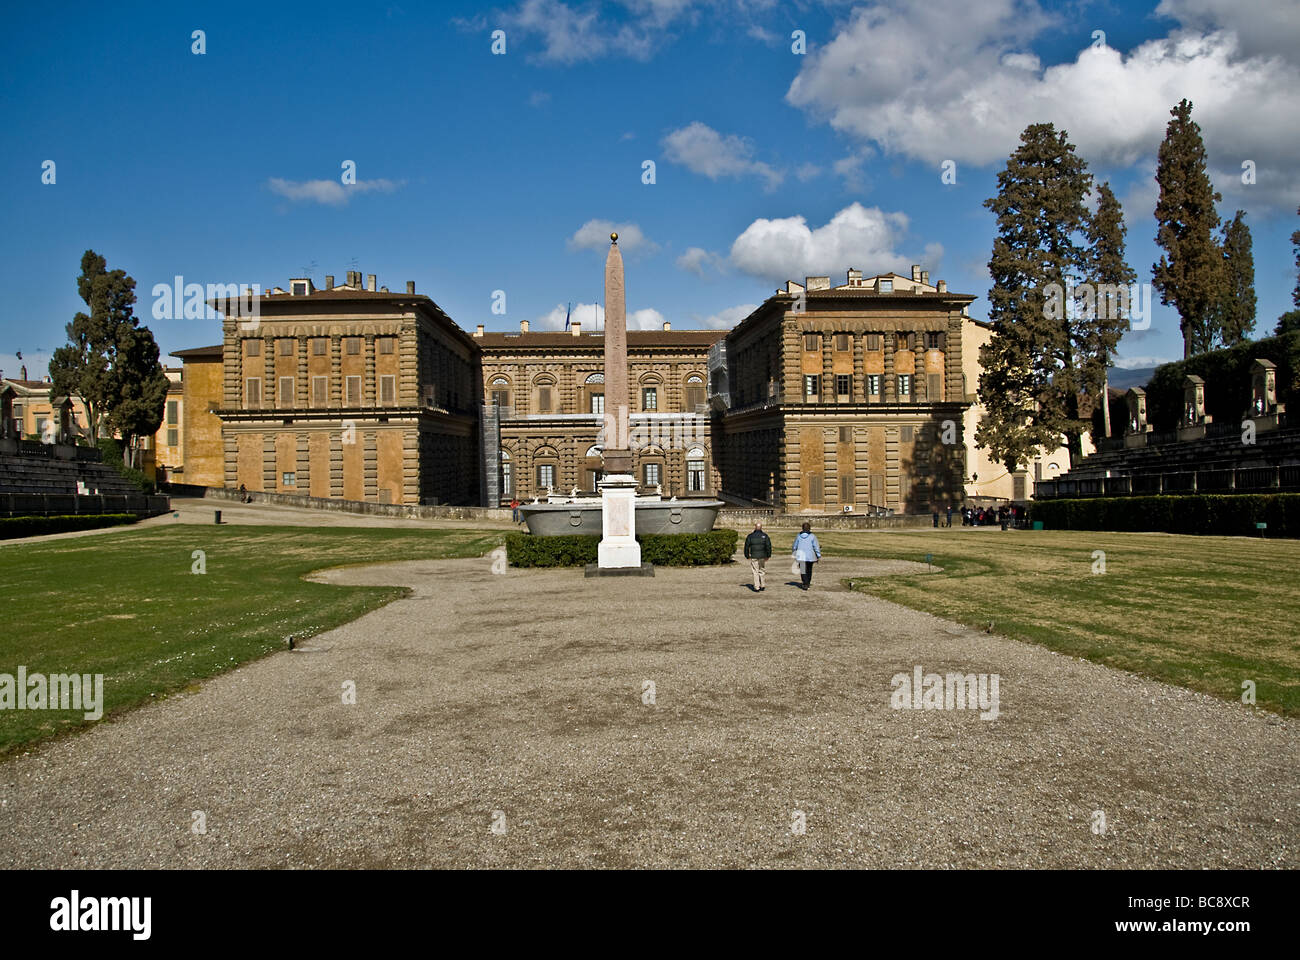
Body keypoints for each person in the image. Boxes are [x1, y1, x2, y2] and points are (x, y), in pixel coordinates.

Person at [791, 521, 821, 590]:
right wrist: (818, 555)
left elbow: (794, 546)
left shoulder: (798, 536)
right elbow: (816, 547)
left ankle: (805, 583)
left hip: (801, 556)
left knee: (803, 570)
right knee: (809, 570)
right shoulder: (812, 536)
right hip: (810, 556)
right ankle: (808, 582)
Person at [743, 521, 772, 592]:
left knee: (755, 571)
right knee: (762, 570)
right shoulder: (765, 536)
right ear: (761, 527)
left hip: (754, 555)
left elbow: (746, 546)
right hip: (762, 556)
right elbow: (768, 546)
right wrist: (768, 555)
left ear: (755, 527)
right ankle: (763, 585)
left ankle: (757, 586)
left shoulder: (750, 536)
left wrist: (747, 555)